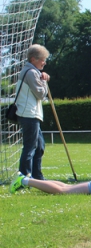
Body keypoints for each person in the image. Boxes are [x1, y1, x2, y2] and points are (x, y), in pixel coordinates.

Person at [16, 44, 51, 180]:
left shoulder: (32, 71)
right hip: (29, 114)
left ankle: (37, 176)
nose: (44, 62)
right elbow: (41, 94)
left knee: (39, 146)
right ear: (33, 59)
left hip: (32, 114)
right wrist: (44, 81)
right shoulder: (31, 73)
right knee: (30, 147)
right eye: (42, 59)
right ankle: (24, 178)